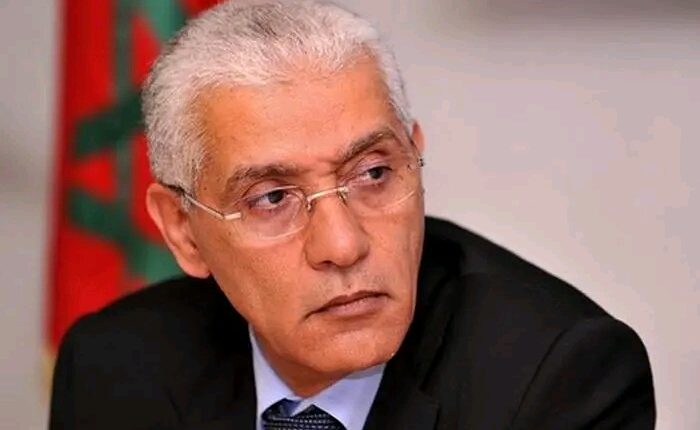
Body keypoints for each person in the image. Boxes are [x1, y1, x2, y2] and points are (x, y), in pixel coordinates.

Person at [49, 1, 656, 429]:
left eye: (372, 174)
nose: (343, 245)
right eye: (272, 198)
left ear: (414, 155)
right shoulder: (114, 367)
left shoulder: (558, 379)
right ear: (183, 231)